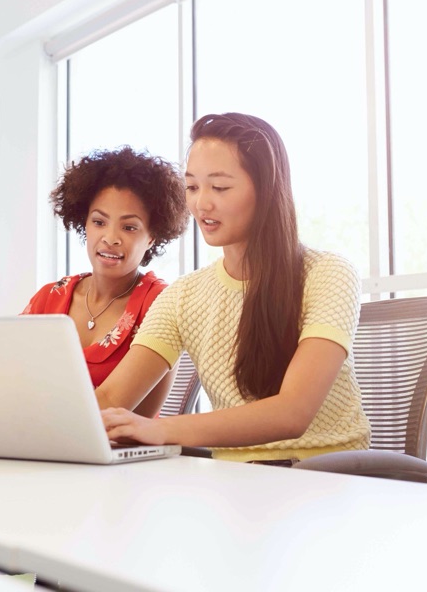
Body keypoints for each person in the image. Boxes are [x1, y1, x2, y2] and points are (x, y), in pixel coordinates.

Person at [97, 112, 371, 464]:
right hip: (235, 485)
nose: (201, 204)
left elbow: (293, 412)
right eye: (193, 187)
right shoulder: (183, 296)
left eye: (220, 187)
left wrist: (162, 429)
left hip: (326, 476)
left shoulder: (327, 273)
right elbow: (110, 398)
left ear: (267, 190)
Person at [22, 145, 189, 414]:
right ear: (83, 223)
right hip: (40, 445)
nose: (110, 238)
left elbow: (117, 412)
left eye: (129, 227)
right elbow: (5, 378)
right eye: (99, 222)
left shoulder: (160, 304)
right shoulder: (48, 298)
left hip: (120, 451)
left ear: (151, 237)